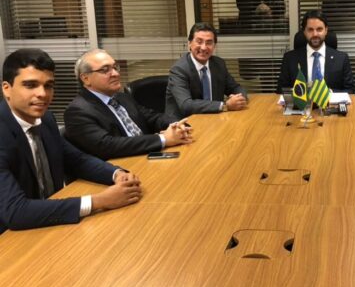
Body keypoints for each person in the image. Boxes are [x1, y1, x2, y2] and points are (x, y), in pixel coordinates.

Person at [0, 49, 142, 234]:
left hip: (49, 224)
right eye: (30, 85)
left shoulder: (46, 119)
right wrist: (99, 201)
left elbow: (77, 160)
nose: (42, 94)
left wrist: (116, 174)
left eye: (48, 85)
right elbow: (16, 212)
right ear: (6, 88)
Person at [64, 49, 193, 160]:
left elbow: (152, 117)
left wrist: (178, 125)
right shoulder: (78, 111)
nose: (115, 74)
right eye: (105, 70)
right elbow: (108, 146)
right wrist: (163, 139)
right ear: (86, 78)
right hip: (119, 169)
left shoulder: (121, 97)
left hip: (145, 157)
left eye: (115, 67)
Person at [166, 22, 248, 117]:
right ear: (189, 43)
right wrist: (225, 106)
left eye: (209, 43)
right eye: (199, 42)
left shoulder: (218, 64)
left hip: (213, 119)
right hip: (183, 122)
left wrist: (239, 99)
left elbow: (235, 88)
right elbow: (186, 105)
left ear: (214, 46)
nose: (204, 47)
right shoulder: (179, 70)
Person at [276, 9, 355, 93]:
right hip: (301, 101)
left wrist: (329, 93)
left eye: (319, 29)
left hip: (331, 101)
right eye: (310, 30)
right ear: (304, 32)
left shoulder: (342, 59)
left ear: (326, 30)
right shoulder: (289, 59)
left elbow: (350, 90)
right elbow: (281, 90)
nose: (315, 34)